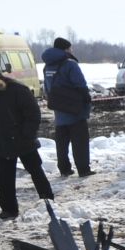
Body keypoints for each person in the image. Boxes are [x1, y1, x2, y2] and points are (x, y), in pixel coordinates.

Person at [0, 61, 54, 220]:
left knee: (35, 170)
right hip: (0, 141)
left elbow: (33, 114)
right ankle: (9, 210)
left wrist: (26, 134)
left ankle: (48, 201)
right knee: (4, 177)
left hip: (23, 140)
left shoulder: (16, 89)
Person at [41, 38, 93, 178]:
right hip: (74, 108)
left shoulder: (47, 66)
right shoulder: (70, 64)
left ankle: (64, 168)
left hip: (58, 109)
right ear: (65, 49)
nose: (71, 51)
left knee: (62, 142)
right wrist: (87, 99)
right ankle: (83, 169)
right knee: (80, 141)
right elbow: (80, 84)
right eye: (70, 48)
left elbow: (46, 88)